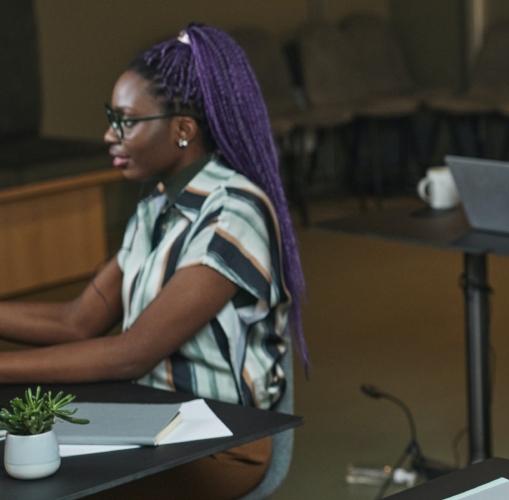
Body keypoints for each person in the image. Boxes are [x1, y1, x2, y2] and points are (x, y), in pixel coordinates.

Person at [0, 25, 306, 500]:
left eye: (125, 120)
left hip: (220, 441)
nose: (109, 134)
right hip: (150, 422)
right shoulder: (153, 210)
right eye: (111, 118)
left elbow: (132, 352)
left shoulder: (234, 212)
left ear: (182, 130)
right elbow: (77, 320)